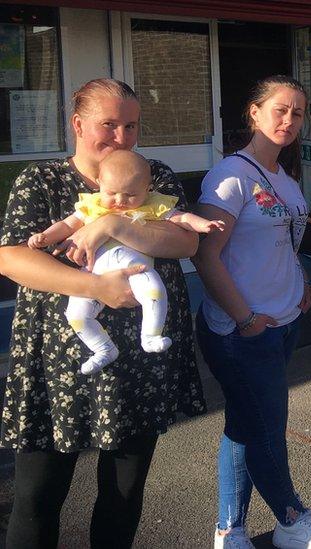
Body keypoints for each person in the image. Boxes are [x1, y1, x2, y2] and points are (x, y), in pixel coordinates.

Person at [0, 78, 206, 548]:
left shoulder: (152, 175)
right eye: (108, 124)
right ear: (78, 124)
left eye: (130, 125)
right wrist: (97, 288)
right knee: (38, 495)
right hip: (61, 361)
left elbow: (185, 240)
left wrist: (114, 223)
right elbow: (10, 257)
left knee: (123, 493)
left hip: (138, 362)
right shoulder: (43, 180)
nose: (120, 137)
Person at [193, 75, 311, 549]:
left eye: (298, 112)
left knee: (245, 424)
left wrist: (300, 282)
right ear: (254, 113)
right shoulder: (229, 176)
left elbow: (283, 240)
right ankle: (290, 518)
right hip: (242, 330)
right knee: (265, 427)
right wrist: (245, 318)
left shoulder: (285, 176)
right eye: (280, 109)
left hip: (283, 321)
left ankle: (229, 529)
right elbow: (204, 256)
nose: (289, 120)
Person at [28, 150, 223, 375]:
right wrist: (45, 237)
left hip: (136, 271)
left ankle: (151, 335)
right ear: (100, 182)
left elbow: (181, 218)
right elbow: (66, 225)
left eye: (130, 195)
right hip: (92, 275)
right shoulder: (92, 205)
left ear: (147, 188)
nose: (120, 201)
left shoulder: (151, 204)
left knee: (155, 291)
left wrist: (203, 225)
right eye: (112, 193)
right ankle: (102, 348)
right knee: (76, 314)